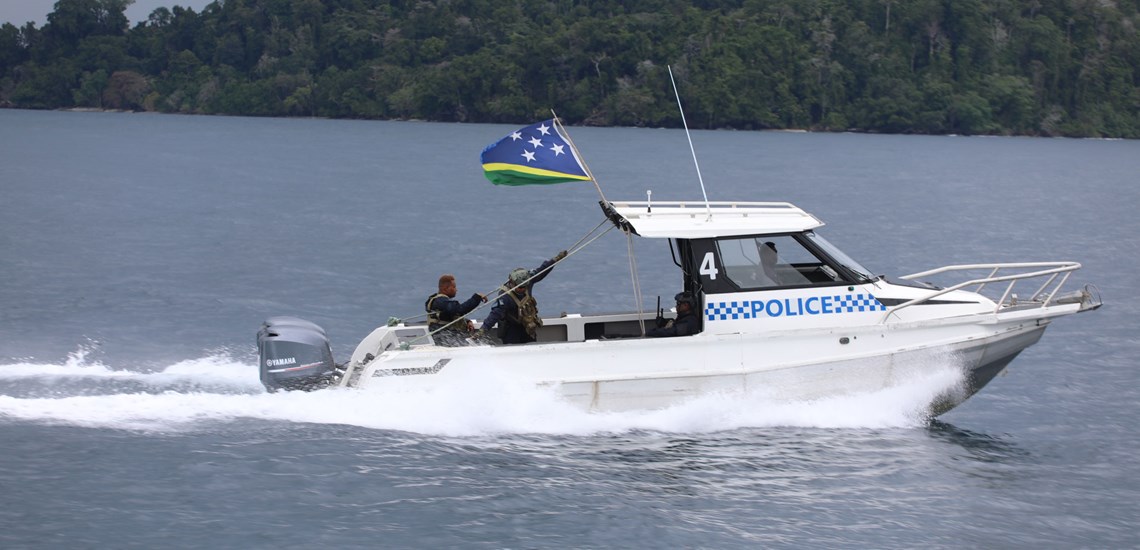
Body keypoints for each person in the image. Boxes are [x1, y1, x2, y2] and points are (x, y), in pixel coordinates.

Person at [481, 250, 567, 344]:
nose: (522, 289)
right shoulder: (505, 297)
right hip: (511, 330)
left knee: (532, 346)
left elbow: (542, 270)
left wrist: (556, 259)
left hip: (528, 327)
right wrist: (482, 330)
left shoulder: (528, 281)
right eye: (519, 287)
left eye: (524, 287)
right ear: (512, 283)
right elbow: (494, 315)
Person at [425, 274, 486, 345]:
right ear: (445, 288)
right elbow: (460, 310)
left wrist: (467, 321)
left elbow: (449, 315)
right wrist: (476, 298)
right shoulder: (441, 302)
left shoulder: (438, 301)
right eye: (454, 287)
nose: (456, 289)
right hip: (443, 338)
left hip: (445, 335)